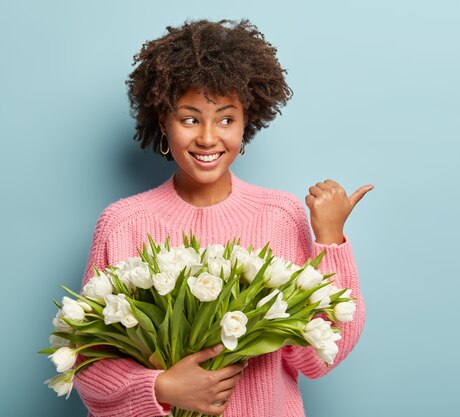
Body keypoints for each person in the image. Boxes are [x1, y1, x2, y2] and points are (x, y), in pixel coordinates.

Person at [74, 19, 372, 417]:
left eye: (226, 119)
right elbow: (87, 361)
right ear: (163, 121)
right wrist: (161, 388)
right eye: (190, 118)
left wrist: (330, 240)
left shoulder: (280, 216)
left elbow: (318, 358)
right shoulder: (122, 224)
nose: (209, 138)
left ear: (247, 122)